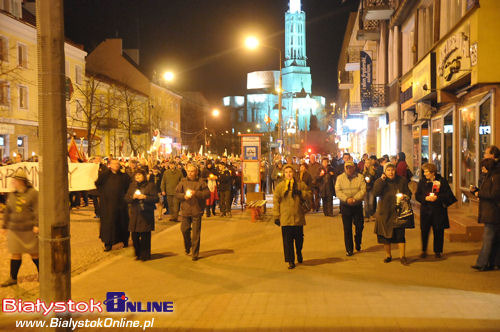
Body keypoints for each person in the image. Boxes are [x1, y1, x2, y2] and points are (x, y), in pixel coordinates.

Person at [0, 169, 39, 287]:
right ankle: (13, 278)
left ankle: (43, 274)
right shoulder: (12, 194)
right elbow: (8, 211)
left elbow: (38, 210)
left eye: (15, 180)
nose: (13, 183)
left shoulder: (33, 193)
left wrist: (37, 224)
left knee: (34, 254)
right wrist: (4, 226)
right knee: (15, 253)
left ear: (22, 181)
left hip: (28, 230)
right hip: (15, 230)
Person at [415, 163, 457, 259]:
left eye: (426, 171)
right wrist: (425, 198)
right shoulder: (422, 182)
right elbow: (417, 195)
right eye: (424, 171)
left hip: (438, 211)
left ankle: (438, 251)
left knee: (438, 231)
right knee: (424, 231)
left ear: (432, 172)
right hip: (426, 210)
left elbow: (448, 195)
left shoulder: (442, 181)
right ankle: (424, 250)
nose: (424, 174)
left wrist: (437, 198)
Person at [273, 165, 312, 269]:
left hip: (298, 217)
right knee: (287, 241)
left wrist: (301, 193)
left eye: (290, 172)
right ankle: (290, 260)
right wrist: (276, 216)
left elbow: (309, 194)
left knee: (299, 239)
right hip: (286, 218)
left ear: (293, 173)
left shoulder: (300, 184)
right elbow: (276, 201)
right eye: (286, 172)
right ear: (284, 174)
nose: (288, 174)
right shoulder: (280, 186)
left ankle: (299, 252)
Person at [373, 163, 412, 265]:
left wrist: (404, 196)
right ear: (384, 171)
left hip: (398, 212)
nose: (391, 172)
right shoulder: (380, 181)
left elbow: (409, 193)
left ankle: (402, 256)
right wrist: (382, 181)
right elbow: (376, 193)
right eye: (388, 170)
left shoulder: (402, 180)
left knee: (400, 234)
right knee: (386, 236)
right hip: (385, 212)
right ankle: (388, 255)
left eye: (392, 170)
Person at [176, 164, 210, 261]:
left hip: (197, 210)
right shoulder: (183, 181)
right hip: (186, 210)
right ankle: (188, 246)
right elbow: (177, 193)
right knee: (184, 230)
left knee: (196, 234)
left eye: (192, 171)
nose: (190, 173)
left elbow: (207, 194)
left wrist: (196, 193)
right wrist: (184, 196)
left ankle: (195, 253)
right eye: (188, 171)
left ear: (196, 172)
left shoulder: (201, 182)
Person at [95, 159, 131, 251]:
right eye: (114, 164)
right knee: (109, 224)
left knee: (122, 222)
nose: (116, 165)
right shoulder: (104, 176)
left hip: (121, 205)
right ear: (110, 165)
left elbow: (129, 187)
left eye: (117, 164)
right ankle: (108, 243)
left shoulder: (124, 176)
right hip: (108, 205)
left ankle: (124, 240)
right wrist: (103, 195)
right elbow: (98, 185)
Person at [471, 158, 500, 271]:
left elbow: (494, 194)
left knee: (488, 239)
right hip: (488, 212)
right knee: (492, 239)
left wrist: (479, 193)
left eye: (483, 166)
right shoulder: (488, 177)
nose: (482, 169)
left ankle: (482, 263)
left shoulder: (495, 177)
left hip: (492, 213)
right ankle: (491, 263)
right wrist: (476, 191)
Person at [125, 170, 159, 261]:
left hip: (146, 213)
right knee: (134, 236)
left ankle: (145, 254)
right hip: (135, 213)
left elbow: (156, 198)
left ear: (144, 176)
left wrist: (145, 197)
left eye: (140, 175)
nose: (138, 177)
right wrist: (133, 197)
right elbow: (126, 198)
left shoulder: (150, 185)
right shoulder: (132, 185)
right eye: (136, 175)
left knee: (145, 236)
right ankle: (138, 253)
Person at [335, 161, 367, 256]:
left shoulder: (360, 177)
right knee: (347, 228)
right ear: (345, 168)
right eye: (347, 167)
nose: (349, 169)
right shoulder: (340, 178)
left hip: (357, 205)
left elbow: (363, 189)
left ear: (354, 168)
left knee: (359, 226)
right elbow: (338, 191)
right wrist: (346, 199)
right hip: (345, 206)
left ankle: (358, 241)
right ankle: (349, 249)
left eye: (351, 167)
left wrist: (355, 199)